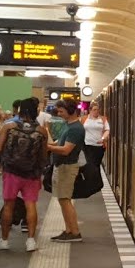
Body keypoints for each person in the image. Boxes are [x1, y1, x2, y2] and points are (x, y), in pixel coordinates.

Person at [0, 98, 47, 252]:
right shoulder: (42, 131)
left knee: (9, 205)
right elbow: (44, 156)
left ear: (20, 110)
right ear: (36, 110)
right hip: (32, 174)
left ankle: (4, 241)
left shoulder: (9, 127)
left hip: (11, 172)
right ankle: (31, 241)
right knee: (31, 206)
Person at [45, 98, 84, 242]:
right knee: (62, 199)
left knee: (65, 199)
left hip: (67, 167)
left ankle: (74, 232)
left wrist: (48, 147)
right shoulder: (69, 125)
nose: (59, 114)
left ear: (71, 111)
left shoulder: (76, 129)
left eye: (61, 111)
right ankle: (69, 230)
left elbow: (66, 149)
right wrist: (51, 144)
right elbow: (60, 142)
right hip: (62, 166)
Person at [81, 102, 109, 167]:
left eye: (98, 109)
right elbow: (80, 130)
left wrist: (103, 138)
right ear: (90, 110)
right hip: (87, 145)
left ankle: (96, 176)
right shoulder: (84, 119)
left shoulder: (103, 119)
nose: (97, 111)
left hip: (99, 146)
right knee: (90, 164)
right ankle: (94, 176)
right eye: (94, 110)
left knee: (96, 164)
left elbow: (107, 130)